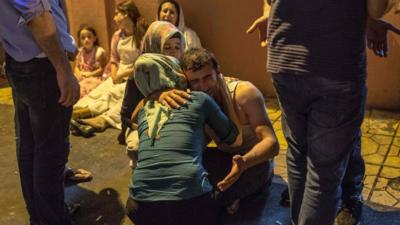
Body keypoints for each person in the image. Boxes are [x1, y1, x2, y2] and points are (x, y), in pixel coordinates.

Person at [247, 1, 368, 225]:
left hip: (284, 57)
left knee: (298, 154)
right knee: (323, 171)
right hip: (334, 64)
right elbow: (377, 8)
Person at [126, 53, 240, 225]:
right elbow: (235, 139)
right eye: (194, 80)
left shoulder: (144, 108)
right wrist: (223, 90)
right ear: (179, 76)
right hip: (191, 204)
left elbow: (133, 120)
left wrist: (152, 97)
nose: (201, 85)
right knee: (228, 169)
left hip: (138, 207)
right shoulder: (199, 99)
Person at [169, 48, 278, 214]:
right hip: (226, 160)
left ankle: (235, 196)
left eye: (207, 78)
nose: (203, 87)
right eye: (195, 81)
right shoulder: (192, 98)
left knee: (203, 204)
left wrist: (245, 162)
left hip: (253, 163)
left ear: (218, 73)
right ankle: (231, 196)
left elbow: (272, 144)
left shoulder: (244, 94)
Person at [0, 0, 80, 224]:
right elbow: (39, 18)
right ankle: (53, 218)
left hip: (20, 61)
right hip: (43, 66)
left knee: (30, 146)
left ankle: (43, 214)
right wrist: (63, 69)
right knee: (50, 151)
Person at [70, 0, 147, 136]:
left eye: (117, 13)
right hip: (118, 73)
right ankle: (77, 113)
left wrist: (124, 74)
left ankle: (97, 119)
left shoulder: (142, 35)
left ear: (126, 14)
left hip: (135, 76)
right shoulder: (117, 36)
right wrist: (115, 74)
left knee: (114, 95)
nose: (114, 17)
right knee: (98, 92)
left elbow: (144, 61)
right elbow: (114, 59)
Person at [74, 24, 107, 97]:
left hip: (93, 76)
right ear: (80, 40)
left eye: (89, 37)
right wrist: (79, 75)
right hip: (82, 75)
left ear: (94, 38)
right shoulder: (80, 52)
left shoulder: (99, 52)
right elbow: (76, 67)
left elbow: (102, 69)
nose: (86, 40)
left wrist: (90, 75)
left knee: (89, 89)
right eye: (83, 38)